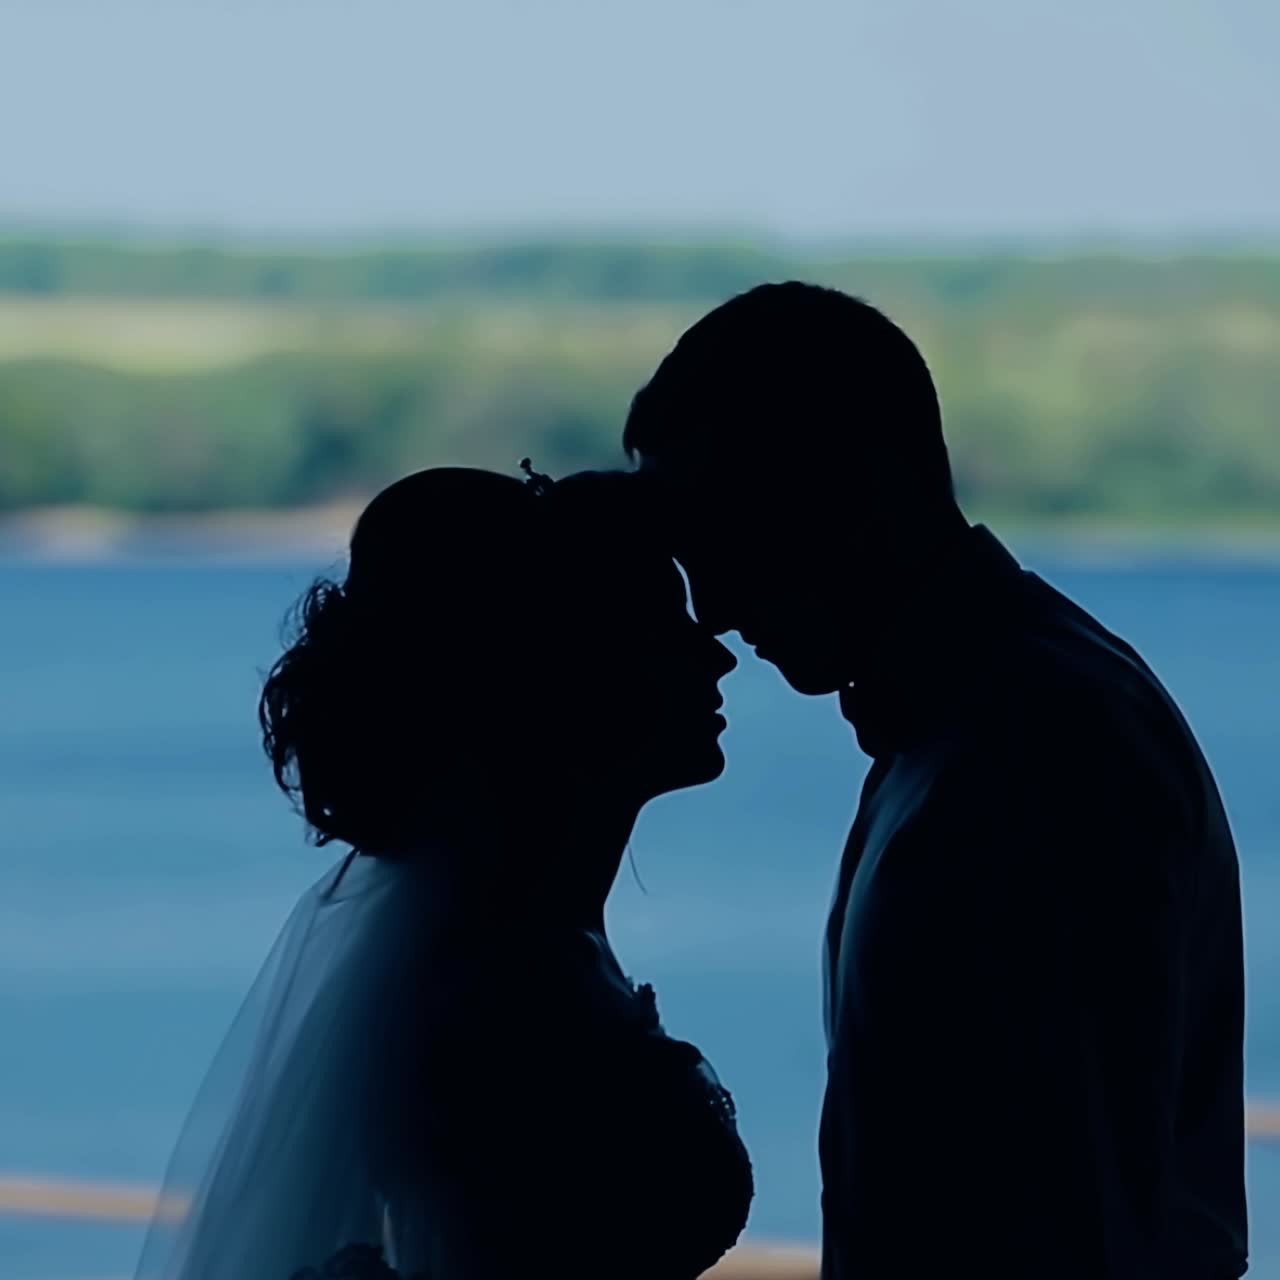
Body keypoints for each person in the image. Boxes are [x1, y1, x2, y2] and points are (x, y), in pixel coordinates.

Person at [623, 282, 1247, 1280]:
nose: (713, 607)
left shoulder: (1043, 748)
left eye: (727, 531)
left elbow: (1058, 1205)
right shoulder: (992, 713)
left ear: (851, 486)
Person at [134, 466, 751, 1280]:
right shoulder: (502, 993)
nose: (718, 656)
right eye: (662, 625)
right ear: (562, 676)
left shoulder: (520, 944)